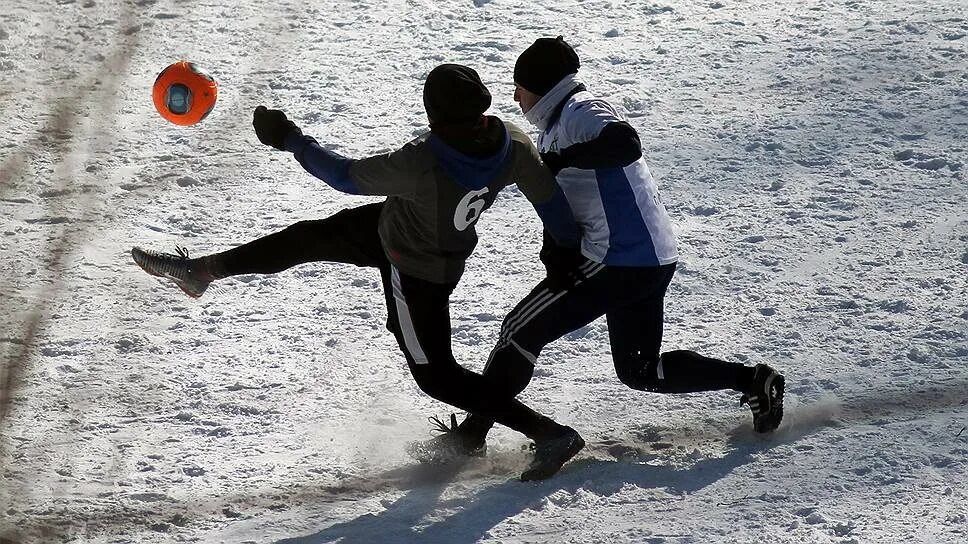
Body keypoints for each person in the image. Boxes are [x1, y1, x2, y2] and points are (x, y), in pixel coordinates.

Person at [131, 64, 589, 481]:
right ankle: (202, 271)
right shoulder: (511, 143)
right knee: (305, 238)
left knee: (437, 376)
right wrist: (564, 250)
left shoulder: (423, 162)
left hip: (417, 270)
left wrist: (290, 137)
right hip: (398, 228)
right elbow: (551, 202)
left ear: (438, 118)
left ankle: (548, 433)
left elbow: (344, 176)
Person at [412, 38, 785, 476]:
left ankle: (474, 437)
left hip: (616, 259)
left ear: (541, 86)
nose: (515, 97)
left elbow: (626, 142)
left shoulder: (580, 110)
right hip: (651, 258)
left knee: (518, 330)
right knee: (640, 368)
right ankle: (752, 380)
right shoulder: (556, 123)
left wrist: (563, 161)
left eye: (520, 87)